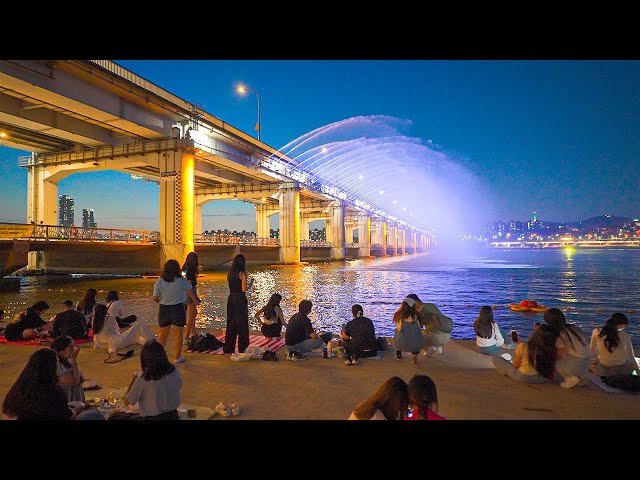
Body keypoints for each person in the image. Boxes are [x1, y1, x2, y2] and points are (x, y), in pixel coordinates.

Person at [2, 348, 103, 420]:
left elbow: (8, 412)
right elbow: (66, 416)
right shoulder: (53, 390)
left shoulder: (19, 387)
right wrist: (76, 411)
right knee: (95, 414)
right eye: (57, 362)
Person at [153, 258, 200, 364]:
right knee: (178, 336)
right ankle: (177, 357)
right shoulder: (181, 281)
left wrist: (164, 300)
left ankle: (159, 358)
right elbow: (191, 292)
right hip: (178, 309)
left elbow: (155, 297)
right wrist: (196, 302)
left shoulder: (160, 281)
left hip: (164, 309)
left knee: (162, 336)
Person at [123, 339, 183, 420]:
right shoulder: (173, 371)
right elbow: (179, 386)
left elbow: (128, 401)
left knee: (116, 417)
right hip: (173, 416)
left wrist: (133, 380)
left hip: (151, 417)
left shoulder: (143, 379)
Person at [491, 323, 557, 384]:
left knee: (495, 358)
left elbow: (515, 365)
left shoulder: (524, 346)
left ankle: (505, 371)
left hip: (523, 377)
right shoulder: (552, 348)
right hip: (543, 378)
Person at [543, 307, 590, 388]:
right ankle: (580, 376)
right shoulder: (573, 328)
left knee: (548, 361)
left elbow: (559, 355)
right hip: (586, 363)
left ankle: (570, 377)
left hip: (575, 364)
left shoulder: (561, 334)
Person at [590, 313, 640, 377]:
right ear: (621, 325)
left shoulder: (596, 331)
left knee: (589, 365)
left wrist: (595, 362)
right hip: (622, 371)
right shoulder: (625, 336)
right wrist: (638, 372)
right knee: (630, 364)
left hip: (603, 371)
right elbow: (630, 357)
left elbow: (592, 350)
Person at [223, 254, 253, 354]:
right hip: (240, 299)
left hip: (231, 298)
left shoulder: (230, 273)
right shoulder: (242, 273)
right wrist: (250, 285)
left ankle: (228, 348)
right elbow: (243, 289)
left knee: (231, 323)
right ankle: (242, 347)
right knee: (242, 324)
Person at [50, 335, 85, 403]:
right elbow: (75, 382)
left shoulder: (67, 361)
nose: (73, 349)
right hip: (65, 402)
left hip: (75, 399)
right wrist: (74, 361)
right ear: (61, 349)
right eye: (70, 347)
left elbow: (81, 378)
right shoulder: (57, 365)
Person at [393, 297, 424, 364]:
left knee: (396, 331)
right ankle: (414, 354)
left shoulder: (398, 315)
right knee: (415, 334)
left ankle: (398, 355)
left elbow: (399, 328)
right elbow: (420, 327)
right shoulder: (417, 315)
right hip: (416, 344)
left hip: (402, 344)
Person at [182, 252, 201, 343]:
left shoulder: (185, 268)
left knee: (194, 313)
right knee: (191, 315)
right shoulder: (190, 271)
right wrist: (194, 298)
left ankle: (193, 332)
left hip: (187, 291)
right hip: (190, 291)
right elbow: (189, 285)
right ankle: (186, 337)